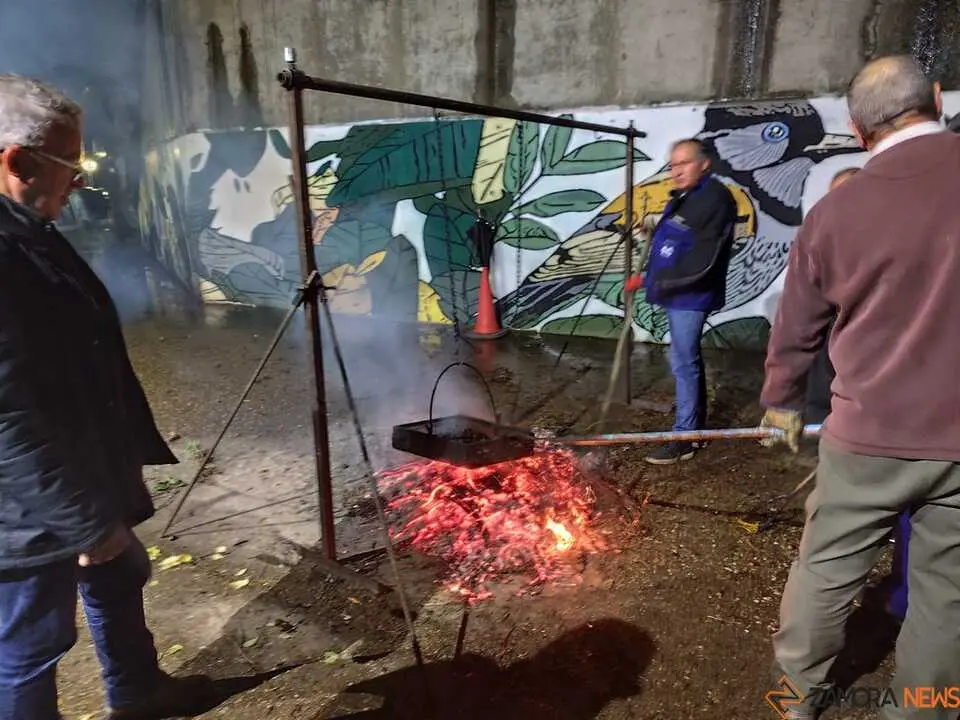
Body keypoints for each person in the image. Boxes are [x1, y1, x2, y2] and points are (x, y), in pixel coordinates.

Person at [0, 75, 212, 719]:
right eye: (72, 164)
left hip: (80, 473)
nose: (80, 180)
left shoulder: (26, 227)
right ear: (18, 162)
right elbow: (6, 420)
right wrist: (84, 520)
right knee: (31, 644)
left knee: (119, 575)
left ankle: (138, 693)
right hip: (28, 510)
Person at [760, 55, 960, 719]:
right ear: (937, 98)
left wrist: (781, 400)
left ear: (856, 128)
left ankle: (793, 701)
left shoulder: (835, 214)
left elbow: (796, 326)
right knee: (947, 592)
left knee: (825, 572)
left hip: (868, 434)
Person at [624, 138, 737, 465]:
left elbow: (699, 259)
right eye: (673, 165)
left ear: (704, 163)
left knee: (684, 363)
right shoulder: (689, 196)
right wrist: (653, 233)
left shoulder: (713, 198)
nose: (676, 171)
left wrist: (650, 280)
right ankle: (692, 428)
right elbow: (678, 239)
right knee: (685, 361)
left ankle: (685, 437)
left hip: (691, 294)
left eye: (684, 163)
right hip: (679, 292)